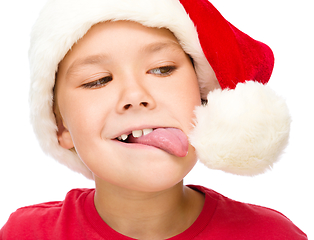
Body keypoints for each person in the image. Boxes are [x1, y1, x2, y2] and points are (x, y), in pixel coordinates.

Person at [0, 0, 308, 239]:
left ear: (204, 100)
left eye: (162, 69)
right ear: (61, 127)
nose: (135, 95)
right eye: (98, 80)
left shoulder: (273, 235)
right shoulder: (23, 234)